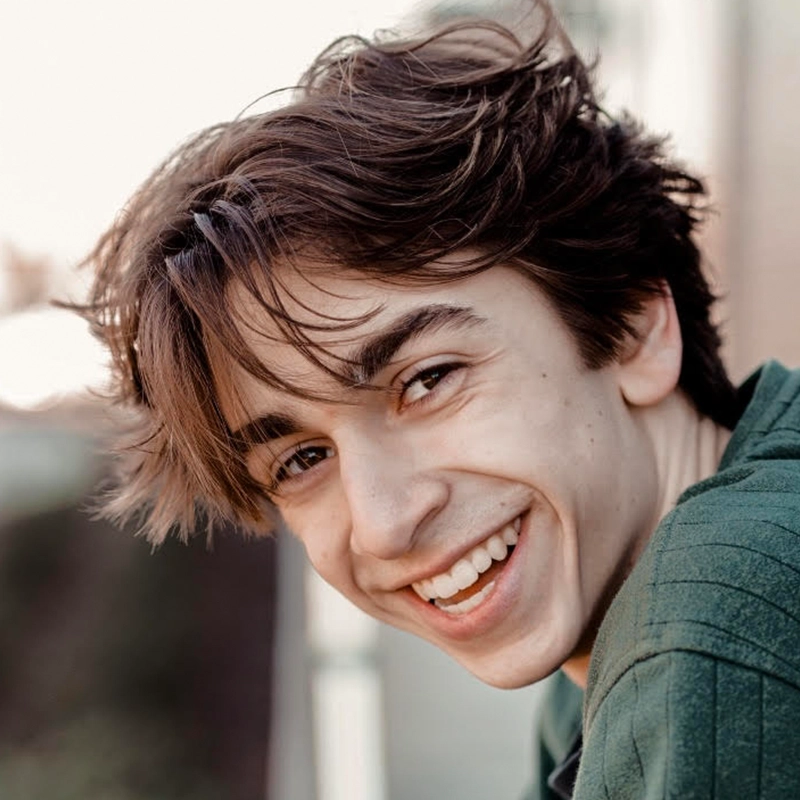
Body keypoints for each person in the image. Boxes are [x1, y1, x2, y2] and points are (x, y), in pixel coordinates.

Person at [79, 4, 800, 797]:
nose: (386, 522)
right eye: (304, 459)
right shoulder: (606, 605)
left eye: (426, 381)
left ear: (631, 324)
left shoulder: (706, 635)